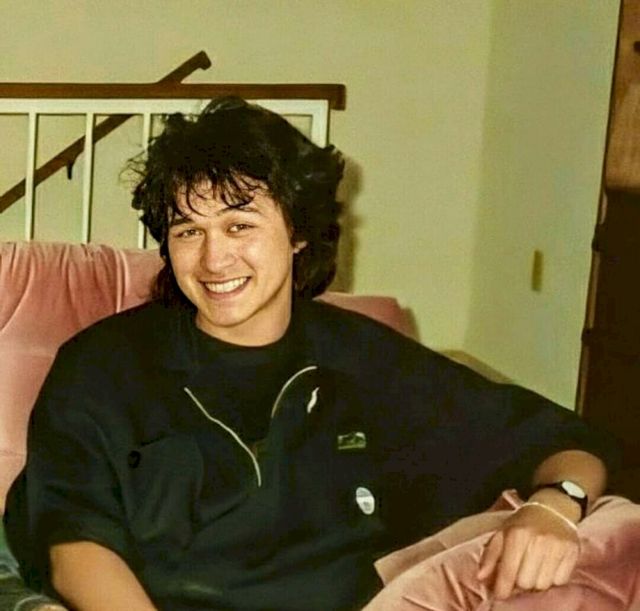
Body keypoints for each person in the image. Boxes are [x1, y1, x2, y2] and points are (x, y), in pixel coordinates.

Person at [4, 97, 616, 611]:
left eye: (240, 226)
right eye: (189, 231)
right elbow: (74, 545)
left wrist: (556, 506)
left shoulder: (367, 360)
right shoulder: (105, 364)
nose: (214, 259)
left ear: (297, 232)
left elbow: (563, 440)